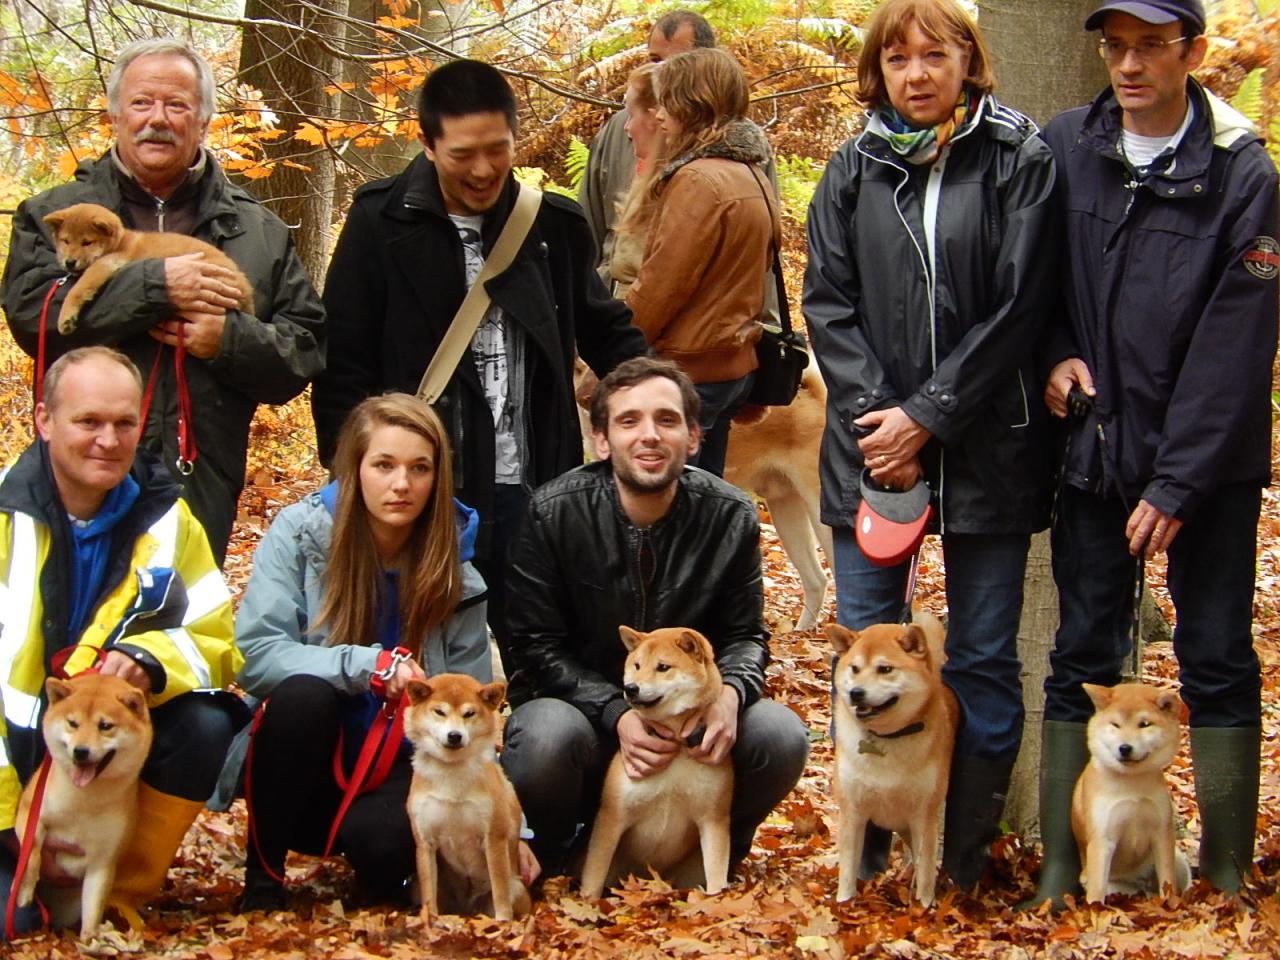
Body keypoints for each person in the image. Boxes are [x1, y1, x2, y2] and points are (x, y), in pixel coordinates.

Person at [802, 0, 1056, 888]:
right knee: (867, 652)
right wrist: (885, 424)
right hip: (873, 454)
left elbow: (1023, 303)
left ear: (966, 60)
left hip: (991, 445)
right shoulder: (851, 166)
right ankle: (868, 860)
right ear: (879, 69)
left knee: (982, 659)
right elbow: (827, 303)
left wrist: (932, 416)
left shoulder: (1019, 157)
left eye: (935, 55)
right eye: (899, 57)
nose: (918, 73)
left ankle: (960, 858)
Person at [1030, 0, 1278, 906]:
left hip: (1209, 470)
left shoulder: (1240, 171)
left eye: (1150, 48)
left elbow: (1237, 345)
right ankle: (1064, 866)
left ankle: (1221, 867)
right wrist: (1052, 350)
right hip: (1094, 451)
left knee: (1214, 655)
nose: (1128, 66)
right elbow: (1034, 279)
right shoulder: (1068, 145)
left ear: (1194, 54)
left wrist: (1178, 482)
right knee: (1081, 653)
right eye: (1116, 47)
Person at [311, 59, 647, 671]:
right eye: (463, 154)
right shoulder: (380, 222)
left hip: (531, 482)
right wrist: (348, 477)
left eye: (499, 149)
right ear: (427, 143)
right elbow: (343, 362)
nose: (485, 169)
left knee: (541, 655)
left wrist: (651, 399)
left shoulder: (550, 224)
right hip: (421, 490)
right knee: (414, 662)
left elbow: (606, 330)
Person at [1, 39, 326, 568]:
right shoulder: (54, 216)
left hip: (198, 477)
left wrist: (228, 340)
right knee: (61, 629)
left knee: (174, 634)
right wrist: (157, 287)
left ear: (202, 120)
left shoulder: (257, 231)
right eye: (141, 103)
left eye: (177, 105)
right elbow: (33, 320)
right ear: (114, 115)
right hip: (72, 473)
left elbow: (302, 353)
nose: (158, 119)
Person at [220, 394, 535, 911]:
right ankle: (263, 881)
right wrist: (365, 664)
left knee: (385, 846)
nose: (401, 484)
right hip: (303, 762)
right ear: (354, 468)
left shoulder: (457, 570)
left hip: (404, 765)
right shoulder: (300, 535)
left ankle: (380, 870)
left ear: (438, 478)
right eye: (383, 465)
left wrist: (513, 830)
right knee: (302, 697)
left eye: (420, 468)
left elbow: (478, 714)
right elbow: (256, 655)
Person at [498, 357, 810, 878]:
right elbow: (532, 646)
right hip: (586, 724)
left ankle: (710, 850)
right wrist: (616, 714)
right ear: (601, 440)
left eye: (666, 420)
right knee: (543, 736)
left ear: (693, 437)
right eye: (629, 421)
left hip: (691, 722)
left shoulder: (730, 515)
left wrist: (730, 693)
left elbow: (745, 636)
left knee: (779, 736)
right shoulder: (554, 513)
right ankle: (557, 853)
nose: (649, 436)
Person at [0, 346, 243, 934]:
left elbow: (217, 641)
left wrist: (147, 660)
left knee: (206, 722)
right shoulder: (6, 515)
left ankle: (114, 889)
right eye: (88, 422)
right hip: (12, 761)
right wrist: (15, 822)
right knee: (13, 923)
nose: (108, 439)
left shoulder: (169, 521)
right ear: (44, 421)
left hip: (94, 742)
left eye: (123, 423)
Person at [624, 48, 779, 477]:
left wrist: (616, 353)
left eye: (669, 100)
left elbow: (662, 285)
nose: (659, 116)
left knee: (667, 513)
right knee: (706, 504)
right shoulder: (749, 173)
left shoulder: (698, 179)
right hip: (731, 366)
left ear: (692, 103)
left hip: (691, 372)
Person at [579, 9, 716, 276]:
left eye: (677, 62)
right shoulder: (620, 129)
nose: (662, 72)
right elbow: (588, 227)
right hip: (613, 301)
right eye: (655, 59)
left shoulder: (727, 140)